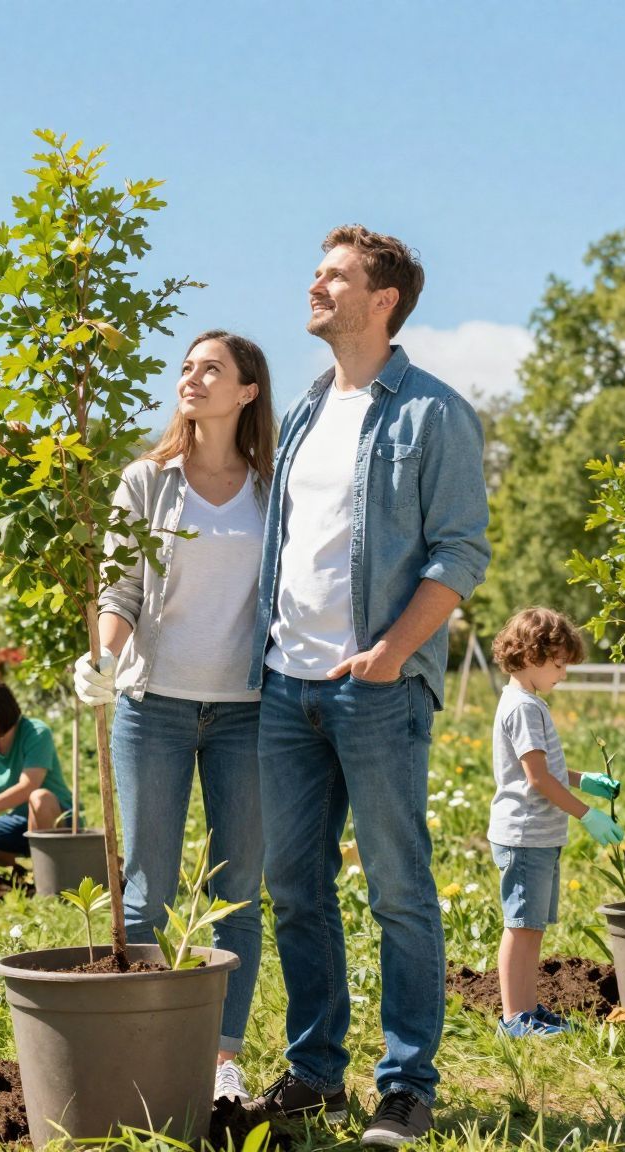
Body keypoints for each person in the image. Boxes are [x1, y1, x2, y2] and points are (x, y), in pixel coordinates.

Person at [248, 226, 490, 1146]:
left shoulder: (432, 414)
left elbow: (461, 550)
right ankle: (315, 1074)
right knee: (294, 887)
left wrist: (391, 651)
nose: (315, 282)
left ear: (382, 299)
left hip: (377, 689)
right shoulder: (307, 409)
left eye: (336, 274)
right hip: (284, 686)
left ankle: (407, 1084)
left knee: (398, 887)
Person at [72, 328, 276, 1103]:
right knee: (145, 889)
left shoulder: (273, 488)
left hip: (249, 713)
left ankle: (224, 1059)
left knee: (236, 891)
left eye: (210, 369)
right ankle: (152, 1048)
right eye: (186, 367)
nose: (191, 378)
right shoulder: (146, 481)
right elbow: (120, 590)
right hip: (152, 705)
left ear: (247, 391)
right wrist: (102, 655)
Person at [485, 609, 624, 1037]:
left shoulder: (528, 703)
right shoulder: (525, 708)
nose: (563, 674)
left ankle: (527, 1009)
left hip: (536, 836)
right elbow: (537, 779)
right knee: (521, 929)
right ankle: (514, 1018)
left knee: (531, 929)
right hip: (525, 835)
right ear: (530, 656)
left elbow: (545, 770)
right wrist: (587, 814)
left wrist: (586, 781)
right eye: (559, 664)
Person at [0, 678, 73, 863]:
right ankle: (18, 876)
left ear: (5, 712)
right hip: (18, 821)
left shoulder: (36, 733)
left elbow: (28, 787)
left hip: (58, 820)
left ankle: (51, 877)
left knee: (39, 798)